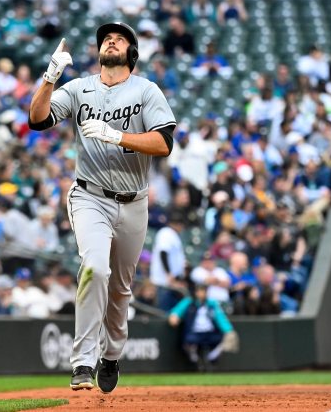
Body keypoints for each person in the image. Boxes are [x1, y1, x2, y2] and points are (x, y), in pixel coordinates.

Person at [28, 22, 176, 393]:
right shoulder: (79, 88)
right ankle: (82, 361)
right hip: (89, 195)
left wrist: (117, 135)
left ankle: (111, 353)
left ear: (131, 53)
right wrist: (50, 75)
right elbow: (37, 119)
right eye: (106, 38)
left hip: (133, 202)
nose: (111, 40)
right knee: (95, 268)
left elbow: (164, 143)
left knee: (122, 289)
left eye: (120, 38)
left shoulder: (146, 90)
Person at [168, 284, 238, 371]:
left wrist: (228, 330)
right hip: (194, 333)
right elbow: (176, 311)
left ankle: (211, 359)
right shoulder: (189, 302)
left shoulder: (212, 304)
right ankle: (197, 361)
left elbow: (220, 317)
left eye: (203, 291)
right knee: (188, 342)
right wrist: (174, 316)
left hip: (210, 333)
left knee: (223, 339)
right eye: (199, 291)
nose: (201, 294)